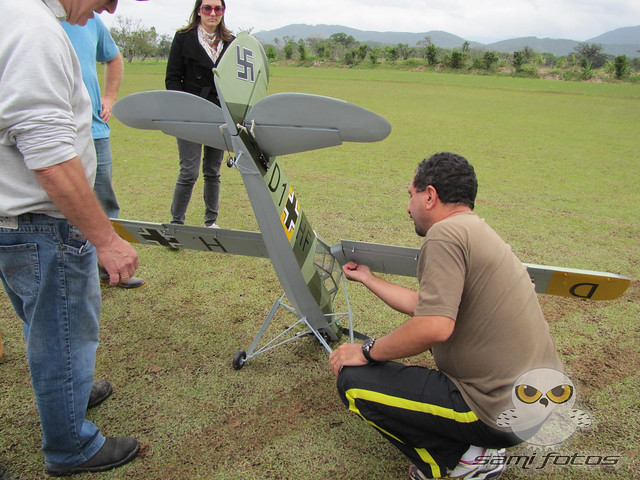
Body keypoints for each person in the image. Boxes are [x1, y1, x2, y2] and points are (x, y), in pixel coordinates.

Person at [329, 152, 563, 480]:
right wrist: (369, 279)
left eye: (410, 195)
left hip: (493, 411)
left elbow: (434, 326)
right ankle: (480, 449)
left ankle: (460, 461)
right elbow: (427, 305)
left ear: (430, 195)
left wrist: (367, 351)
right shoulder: (474, 231)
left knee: (354, 383)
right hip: (533, 406)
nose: (407, 206)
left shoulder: (445, 235)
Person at [0, 0, 148, 476]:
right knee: (63, 332)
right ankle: (71, 447)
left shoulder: (17, 17)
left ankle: (73, 392)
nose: (112, 5)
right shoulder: (35, 30)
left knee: (45, 323)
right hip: (41, 222)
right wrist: (104, 239)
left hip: (20, 220)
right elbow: (49, 156)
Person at [62, 16, 147, 289]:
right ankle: (70, 272)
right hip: (58, 128)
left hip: (95, 129)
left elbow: (113, 57)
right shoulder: (36, 18)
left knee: (105, 200)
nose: (111, 8)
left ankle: (112, 268)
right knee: (58, 202)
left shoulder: (91, 19)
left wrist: (109, 97)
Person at [165, 0, 235, 228]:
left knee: (213, 171)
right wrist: (184, 107)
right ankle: (177, 224)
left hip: (219, 114)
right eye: (207, 8)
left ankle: (211, 222)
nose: (213, 13)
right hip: (190, 113)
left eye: (218, 8)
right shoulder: (183, 38)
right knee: (189, 171)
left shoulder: (231, 43)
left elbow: (236, 81)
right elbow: (172, 78)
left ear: (223, 12)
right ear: (198, 11)